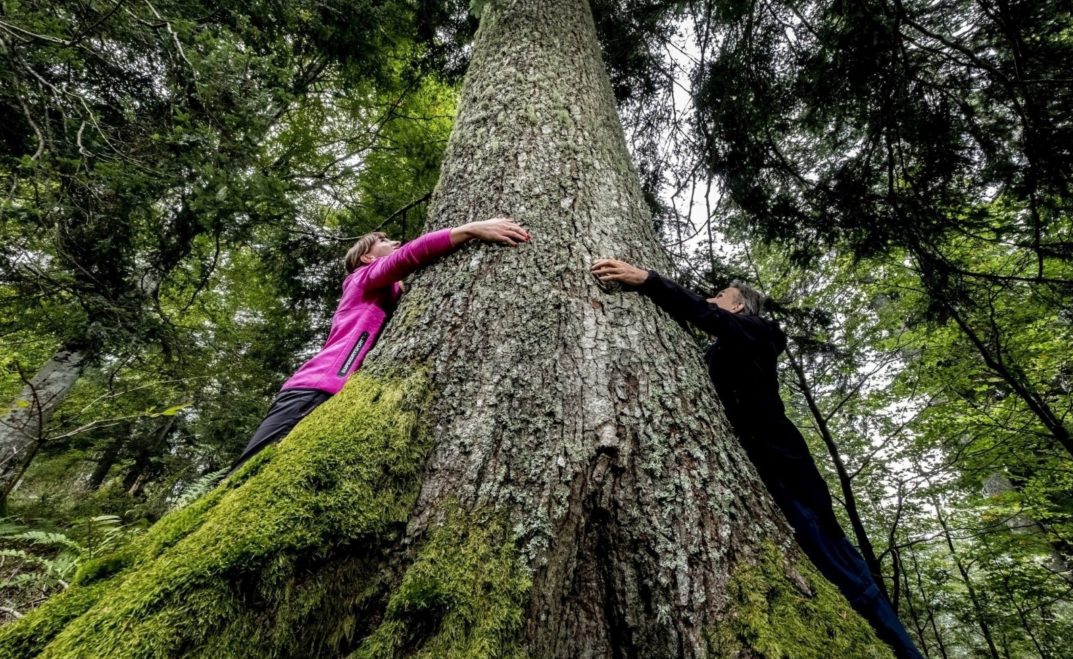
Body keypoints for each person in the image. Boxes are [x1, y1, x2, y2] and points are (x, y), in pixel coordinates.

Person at [590, 258, 923, 659]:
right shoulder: (723, 350)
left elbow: (705, 314)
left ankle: (901, 651)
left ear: (737, 307)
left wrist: (648, 280)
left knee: (837, 561)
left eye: (720, 297)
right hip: (758, 466)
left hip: (784, 465)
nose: (712, 299)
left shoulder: (759, 331)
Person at [231, 218, 531, 470]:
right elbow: (408, 257)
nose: (396, 243)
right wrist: (471, 229)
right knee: (250, 473)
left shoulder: (383, 295)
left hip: (336, 393)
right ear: (368, 258)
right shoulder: (360, 278)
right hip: (314, 388)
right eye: (385, 241)